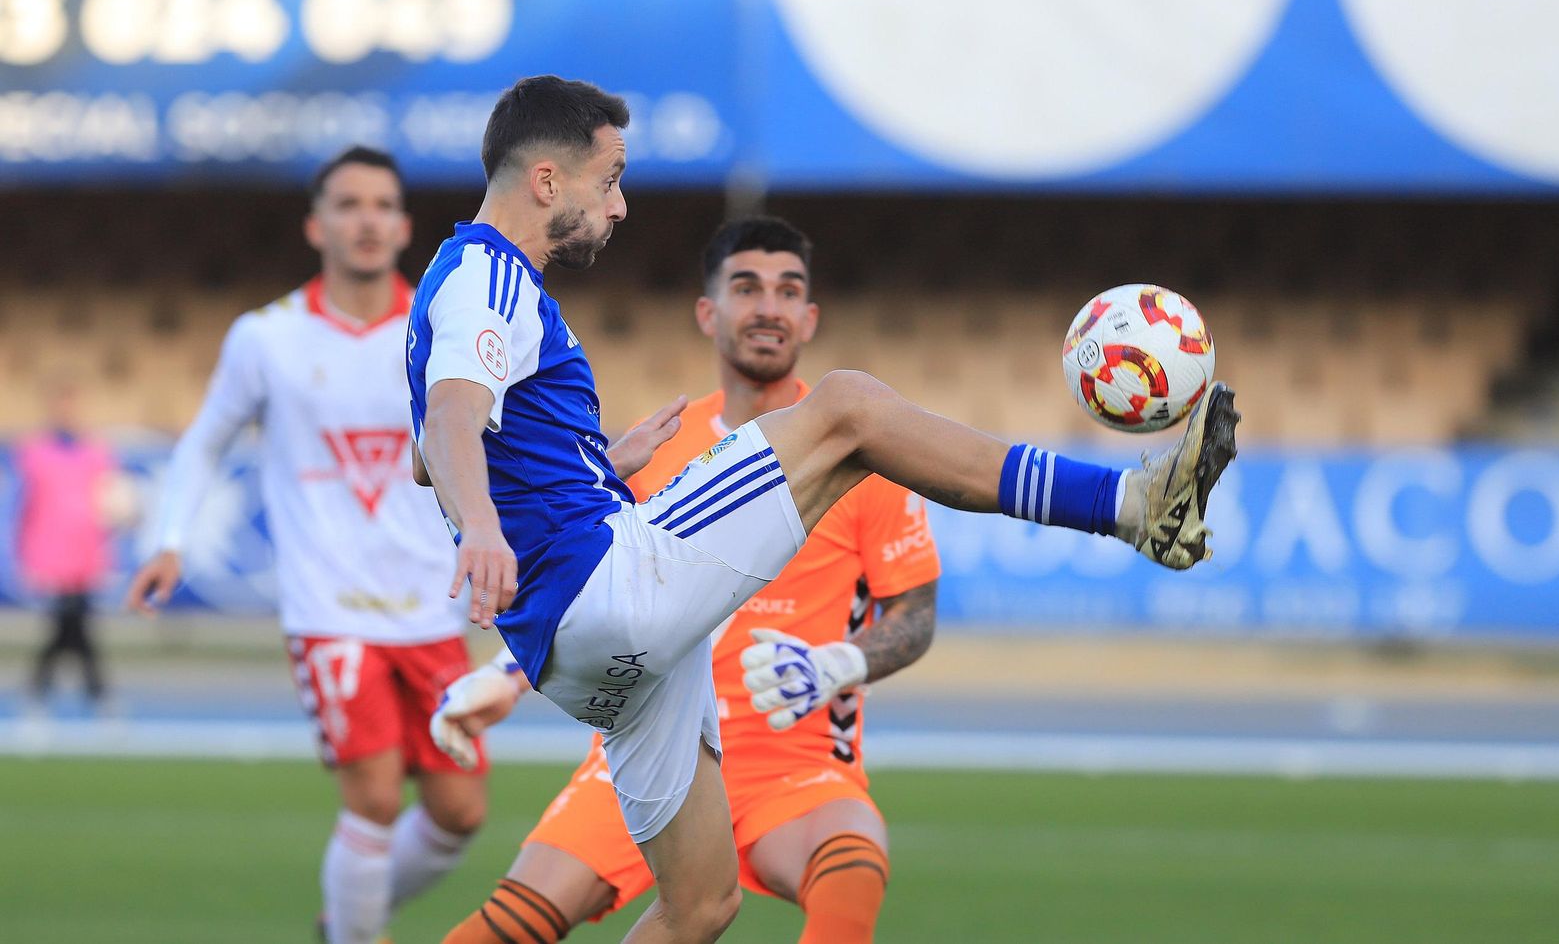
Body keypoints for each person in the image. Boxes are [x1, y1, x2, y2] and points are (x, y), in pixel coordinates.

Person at [406, 75, 1238, 943]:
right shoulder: (490, 273)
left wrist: (587, 466)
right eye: (610, 179)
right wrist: (492, 531)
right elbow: (454, 418)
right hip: (605, 589)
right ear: (546, 181)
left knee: (701, 906)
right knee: (847, 409)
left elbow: (425, 456)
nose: (619, 207)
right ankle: (1135, 503)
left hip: (580, 660)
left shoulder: (444, 289)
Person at [432, 215, 942, 944]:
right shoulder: (657, 445)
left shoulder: (861, 453)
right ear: (708, 312)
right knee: (511, 925)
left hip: (789, 759)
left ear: (809, 316)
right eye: (746, 287)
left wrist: (838, 664)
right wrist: (506, 676)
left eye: (788, 289)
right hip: (652, 730)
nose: (768, 306)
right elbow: (595, 591)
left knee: (853, 869)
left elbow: (915, 615)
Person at [124, 147, 489, 944]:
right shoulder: (267, 338)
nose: (366, 219)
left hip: (431, 609)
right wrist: (170, 539)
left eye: (382, 205)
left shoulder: (441, 335)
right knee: (375, 798)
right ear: (316, 224)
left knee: (461, 811)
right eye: (348, 204)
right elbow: (204, 441)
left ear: (402, 226)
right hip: (331, 610)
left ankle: (348, 920)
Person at [18, 375, 121, 713]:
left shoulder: (97, 453)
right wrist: (26, 555)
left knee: (72, 624)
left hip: (86, 554)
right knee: (71, 624)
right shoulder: (34, 453)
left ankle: (40, 690)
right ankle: (96, 693)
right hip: (50, 554)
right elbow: (26, 507)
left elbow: (107, 505)